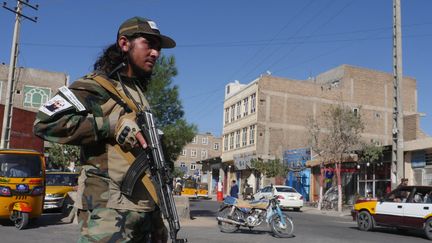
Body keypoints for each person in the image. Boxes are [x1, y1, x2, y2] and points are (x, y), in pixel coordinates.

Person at [34, 16, 176, 242]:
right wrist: (109, 126)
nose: (155, 53)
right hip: (108, 209)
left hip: (145, 208)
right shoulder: (95, 86)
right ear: (124, 43)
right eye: (148, 44)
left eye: (158, 48)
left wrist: (158, 218)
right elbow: (45, 122)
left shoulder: (137, 93)